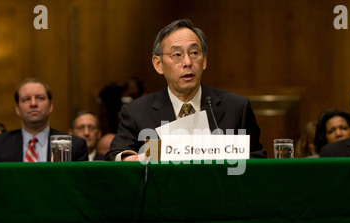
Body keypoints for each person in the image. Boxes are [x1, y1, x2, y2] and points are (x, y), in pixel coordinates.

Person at [106, 18, 266, 161]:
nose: (188, 62)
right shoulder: (137, 112)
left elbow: (257, 159)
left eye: (194, 53)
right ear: (158, 64)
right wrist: (134, 159)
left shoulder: (235, 107)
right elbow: (117, 154)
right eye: (177, 55)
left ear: (204, 61)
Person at [0, 78, 88, 162]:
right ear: (17, 109)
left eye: (40, 98)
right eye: (26, 99)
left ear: (50, 105)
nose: (33, 103)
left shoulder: (74, 145)